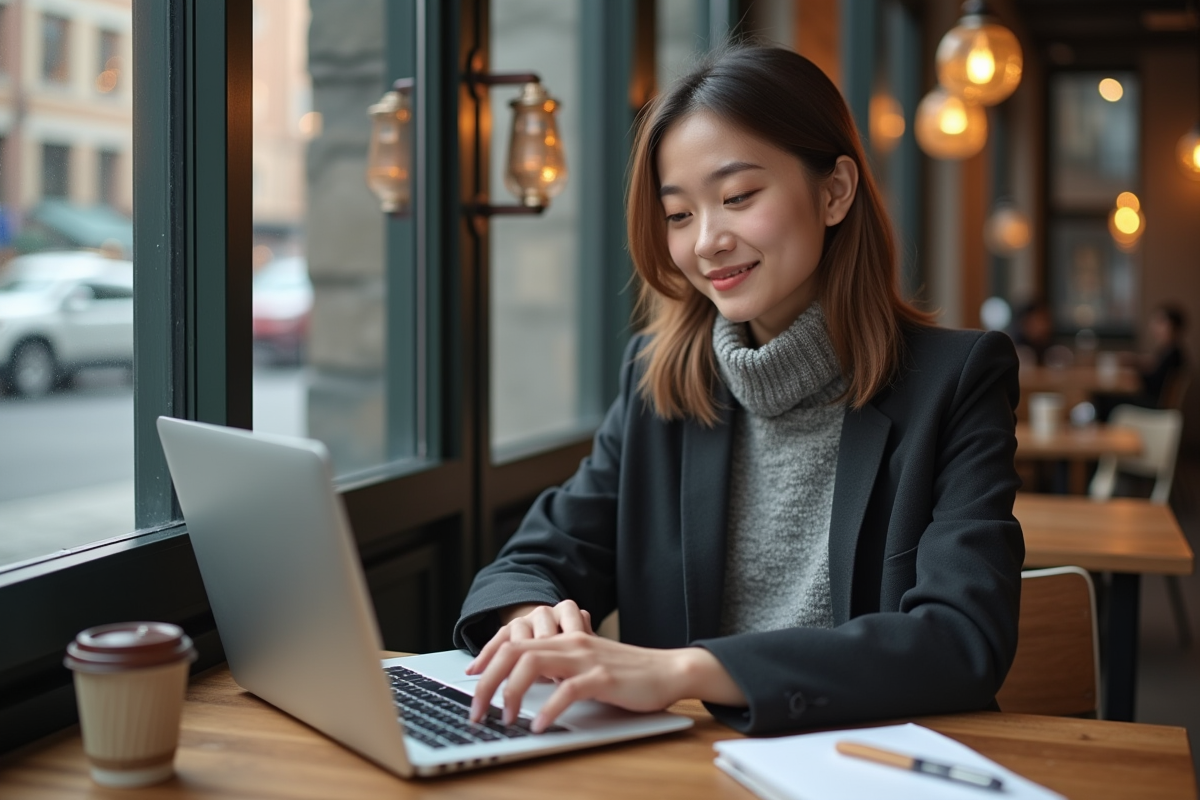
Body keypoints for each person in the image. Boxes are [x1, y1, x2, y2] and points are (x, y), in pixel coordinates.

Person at [452, 44, 1023, 736]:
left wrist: (685, 670)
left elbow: (962, 640)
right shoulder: (656, 380)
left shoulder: (956, 380)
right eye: (679, 215)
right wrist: (529, 617)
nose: (707, 242)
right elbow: (534, 559)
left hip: (869, 765)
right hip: (687, 772)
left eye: (738, 197)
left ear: (835, 192)